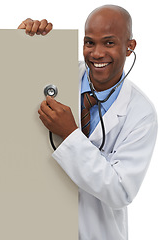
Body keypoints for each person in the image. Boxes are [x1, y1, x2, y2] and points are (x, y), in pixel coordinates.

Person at [18, 5, 158, 240]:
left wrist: (70, 133)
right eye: (89, 42)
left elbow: (121, 191)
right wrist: (23, 46)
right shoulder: (54, 74)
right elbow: (12, 99)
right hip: (39, 224)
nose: (96, 53)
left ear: (130, 47)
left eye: (109, 43)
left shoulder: (142, 114)